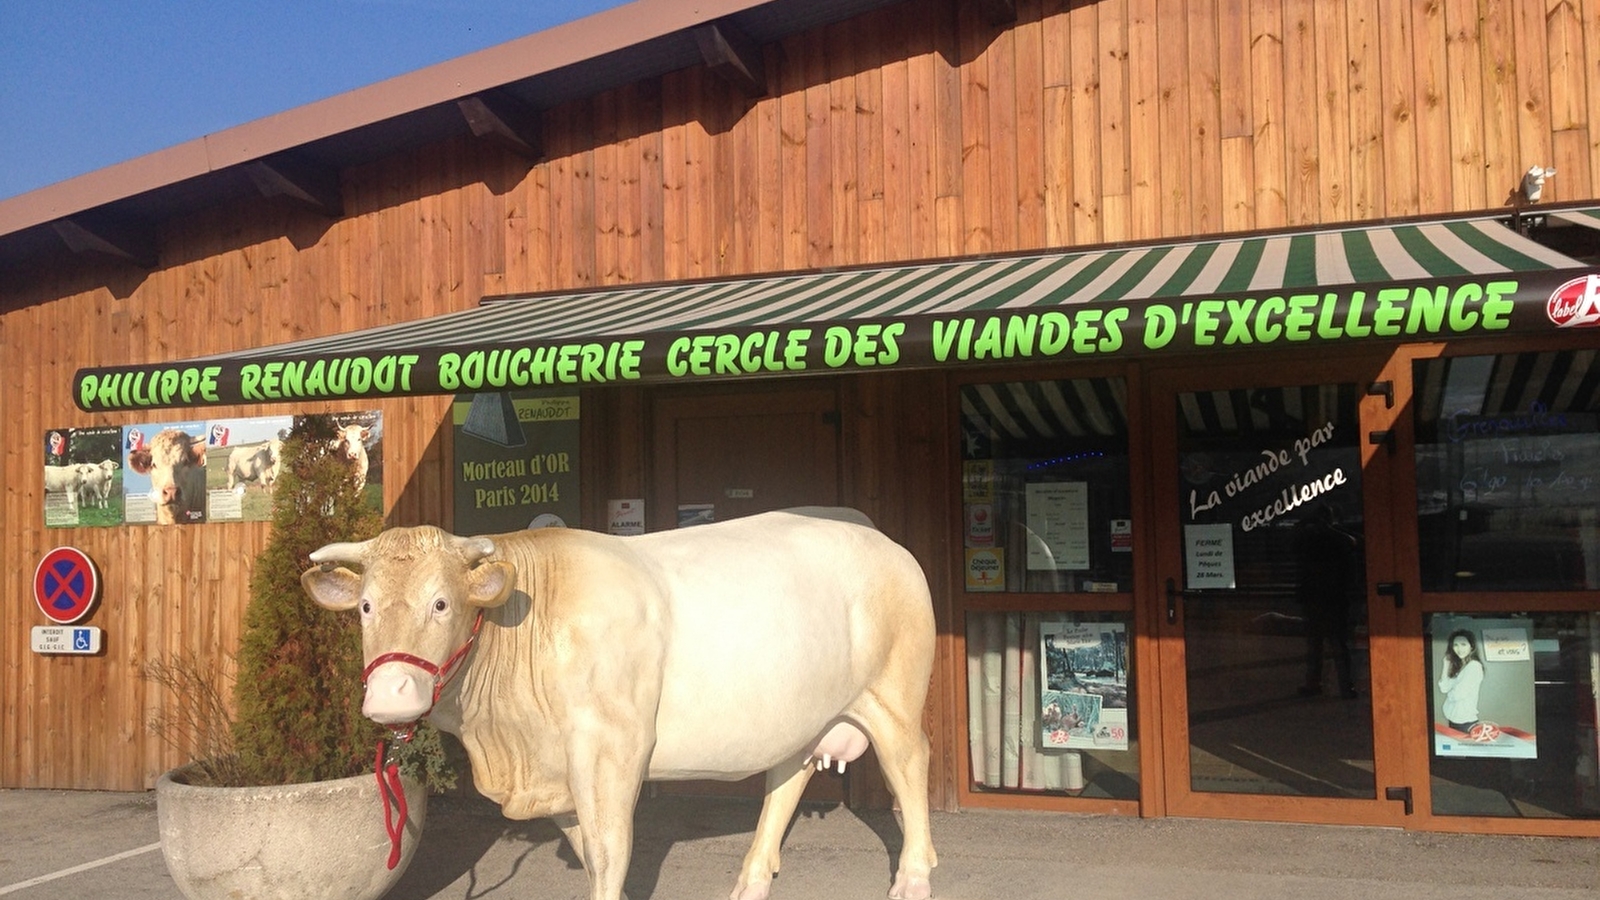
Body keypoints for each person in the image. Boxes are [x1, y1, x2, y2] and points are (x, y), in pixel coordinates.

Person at [1295, 505, 1360, 698]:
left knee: (1316, 645)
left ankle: (1314, 683)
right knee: (1339, 645)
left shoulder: (1309, 540)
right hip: (1335, 598)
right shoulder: (1340, 540)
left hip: (1316, 597)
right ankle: (1345, 686)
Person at [1437, 629, 1484, 732]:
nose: (1459, 649)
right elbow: (1444, 689)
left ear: (1471, 646)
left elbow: (1457, 694)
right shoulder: (1459, 666)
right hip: (1453, 721)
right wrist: (1445, 664)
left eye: (1463, 644)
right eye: (1455, 645)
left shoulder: (1474, 666)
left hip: (1466, 723)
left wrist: (1451, 691)